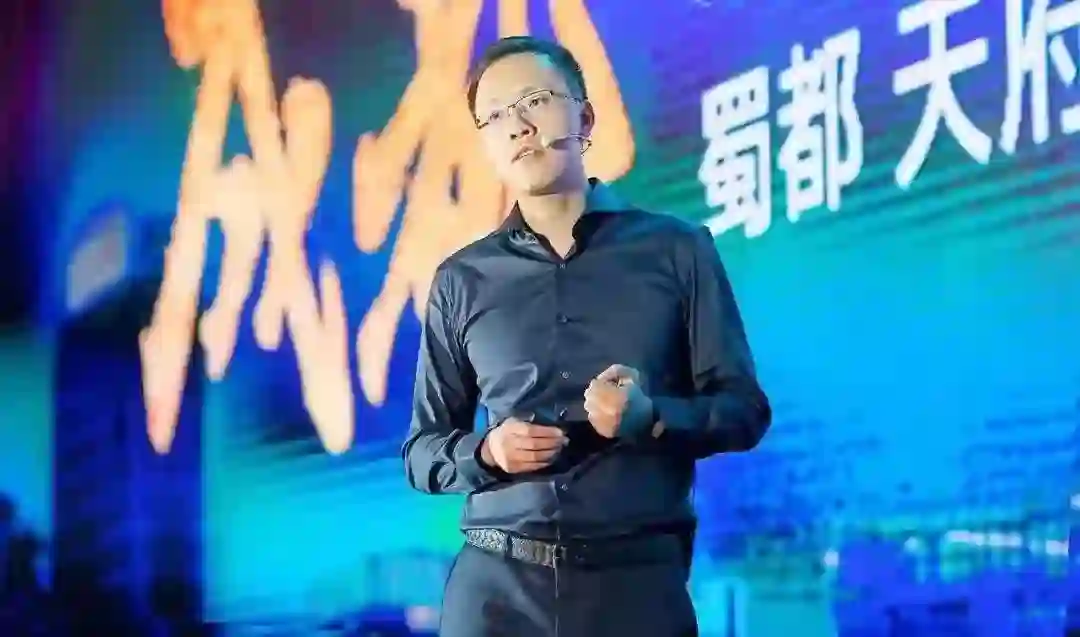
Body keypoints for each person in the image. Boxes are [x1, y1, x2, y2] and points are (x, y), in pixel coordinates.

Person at [402, 36, 771, 637]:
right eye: (494, 116)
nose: (518, 126)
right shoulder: (461, 280)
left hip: (636, 587)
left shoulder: (677, 250)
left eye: (535, 101)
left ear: (586, 118)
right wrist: (487, 452)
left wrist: (651, 418)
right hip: (496, 591)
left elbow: (743, 411)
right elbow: (422, 451)